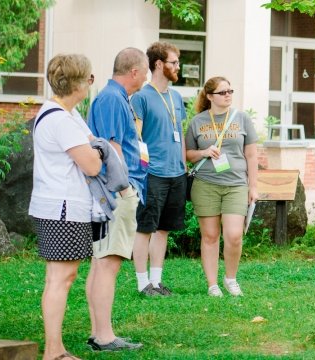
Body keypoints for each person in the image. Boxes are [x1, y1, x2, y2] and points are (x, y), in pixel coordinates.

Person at [30, 53, 100, 360]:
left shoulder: (62, 113)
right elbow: (93, 165)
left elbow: (90, 140)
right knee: (61, 278)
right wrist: (98, 155)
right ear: (79, 83)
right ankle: (54, 352)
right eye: (89, 78)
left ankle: (54, 350)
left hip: (57, 204)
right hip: (63, 206)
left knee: (60, 277)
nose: (91, 83)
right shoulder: (61, 119)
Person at [85, 47, 149, 351]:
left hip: (113, 193)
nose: (148, 76)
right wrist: (125, 190)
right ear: (134, 72)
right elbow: (112, 149)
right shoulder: (112, 98)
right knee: (108, 263)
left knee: (101, 263)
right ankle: (105, 336)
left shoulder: (116, 98)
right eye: (146, 70)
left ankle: (98, 333)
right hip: (116, 194)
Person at [185, 77, 258, 297]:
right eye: (222, 92)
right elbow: (188, 155)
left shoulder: (242, 119)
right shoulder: (197, 121)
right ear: (209, 96)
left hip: (236, 184)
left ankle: (230, 279)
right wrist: (204, 152)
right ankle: (212, 284)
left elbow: (252, 154)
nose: (228, 95)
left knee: (234, 235)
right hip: (206, 184)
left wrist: (252, 186)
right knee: (209, 235)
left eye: (230, 91)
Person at [130, 41, 187, 297]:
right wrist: (141, 171)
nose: (178, 66)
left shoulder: (176, 97)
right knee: (145, 228)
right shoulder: (141, 97)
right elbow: (137, 137)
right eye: (174, 62)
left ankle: (156, 281)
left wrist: (184, 166)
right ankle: (142, 284)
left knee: (163, 229)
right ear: (159, 64)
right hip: (152, 173)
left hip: (176, 173)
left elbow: (181, 135)